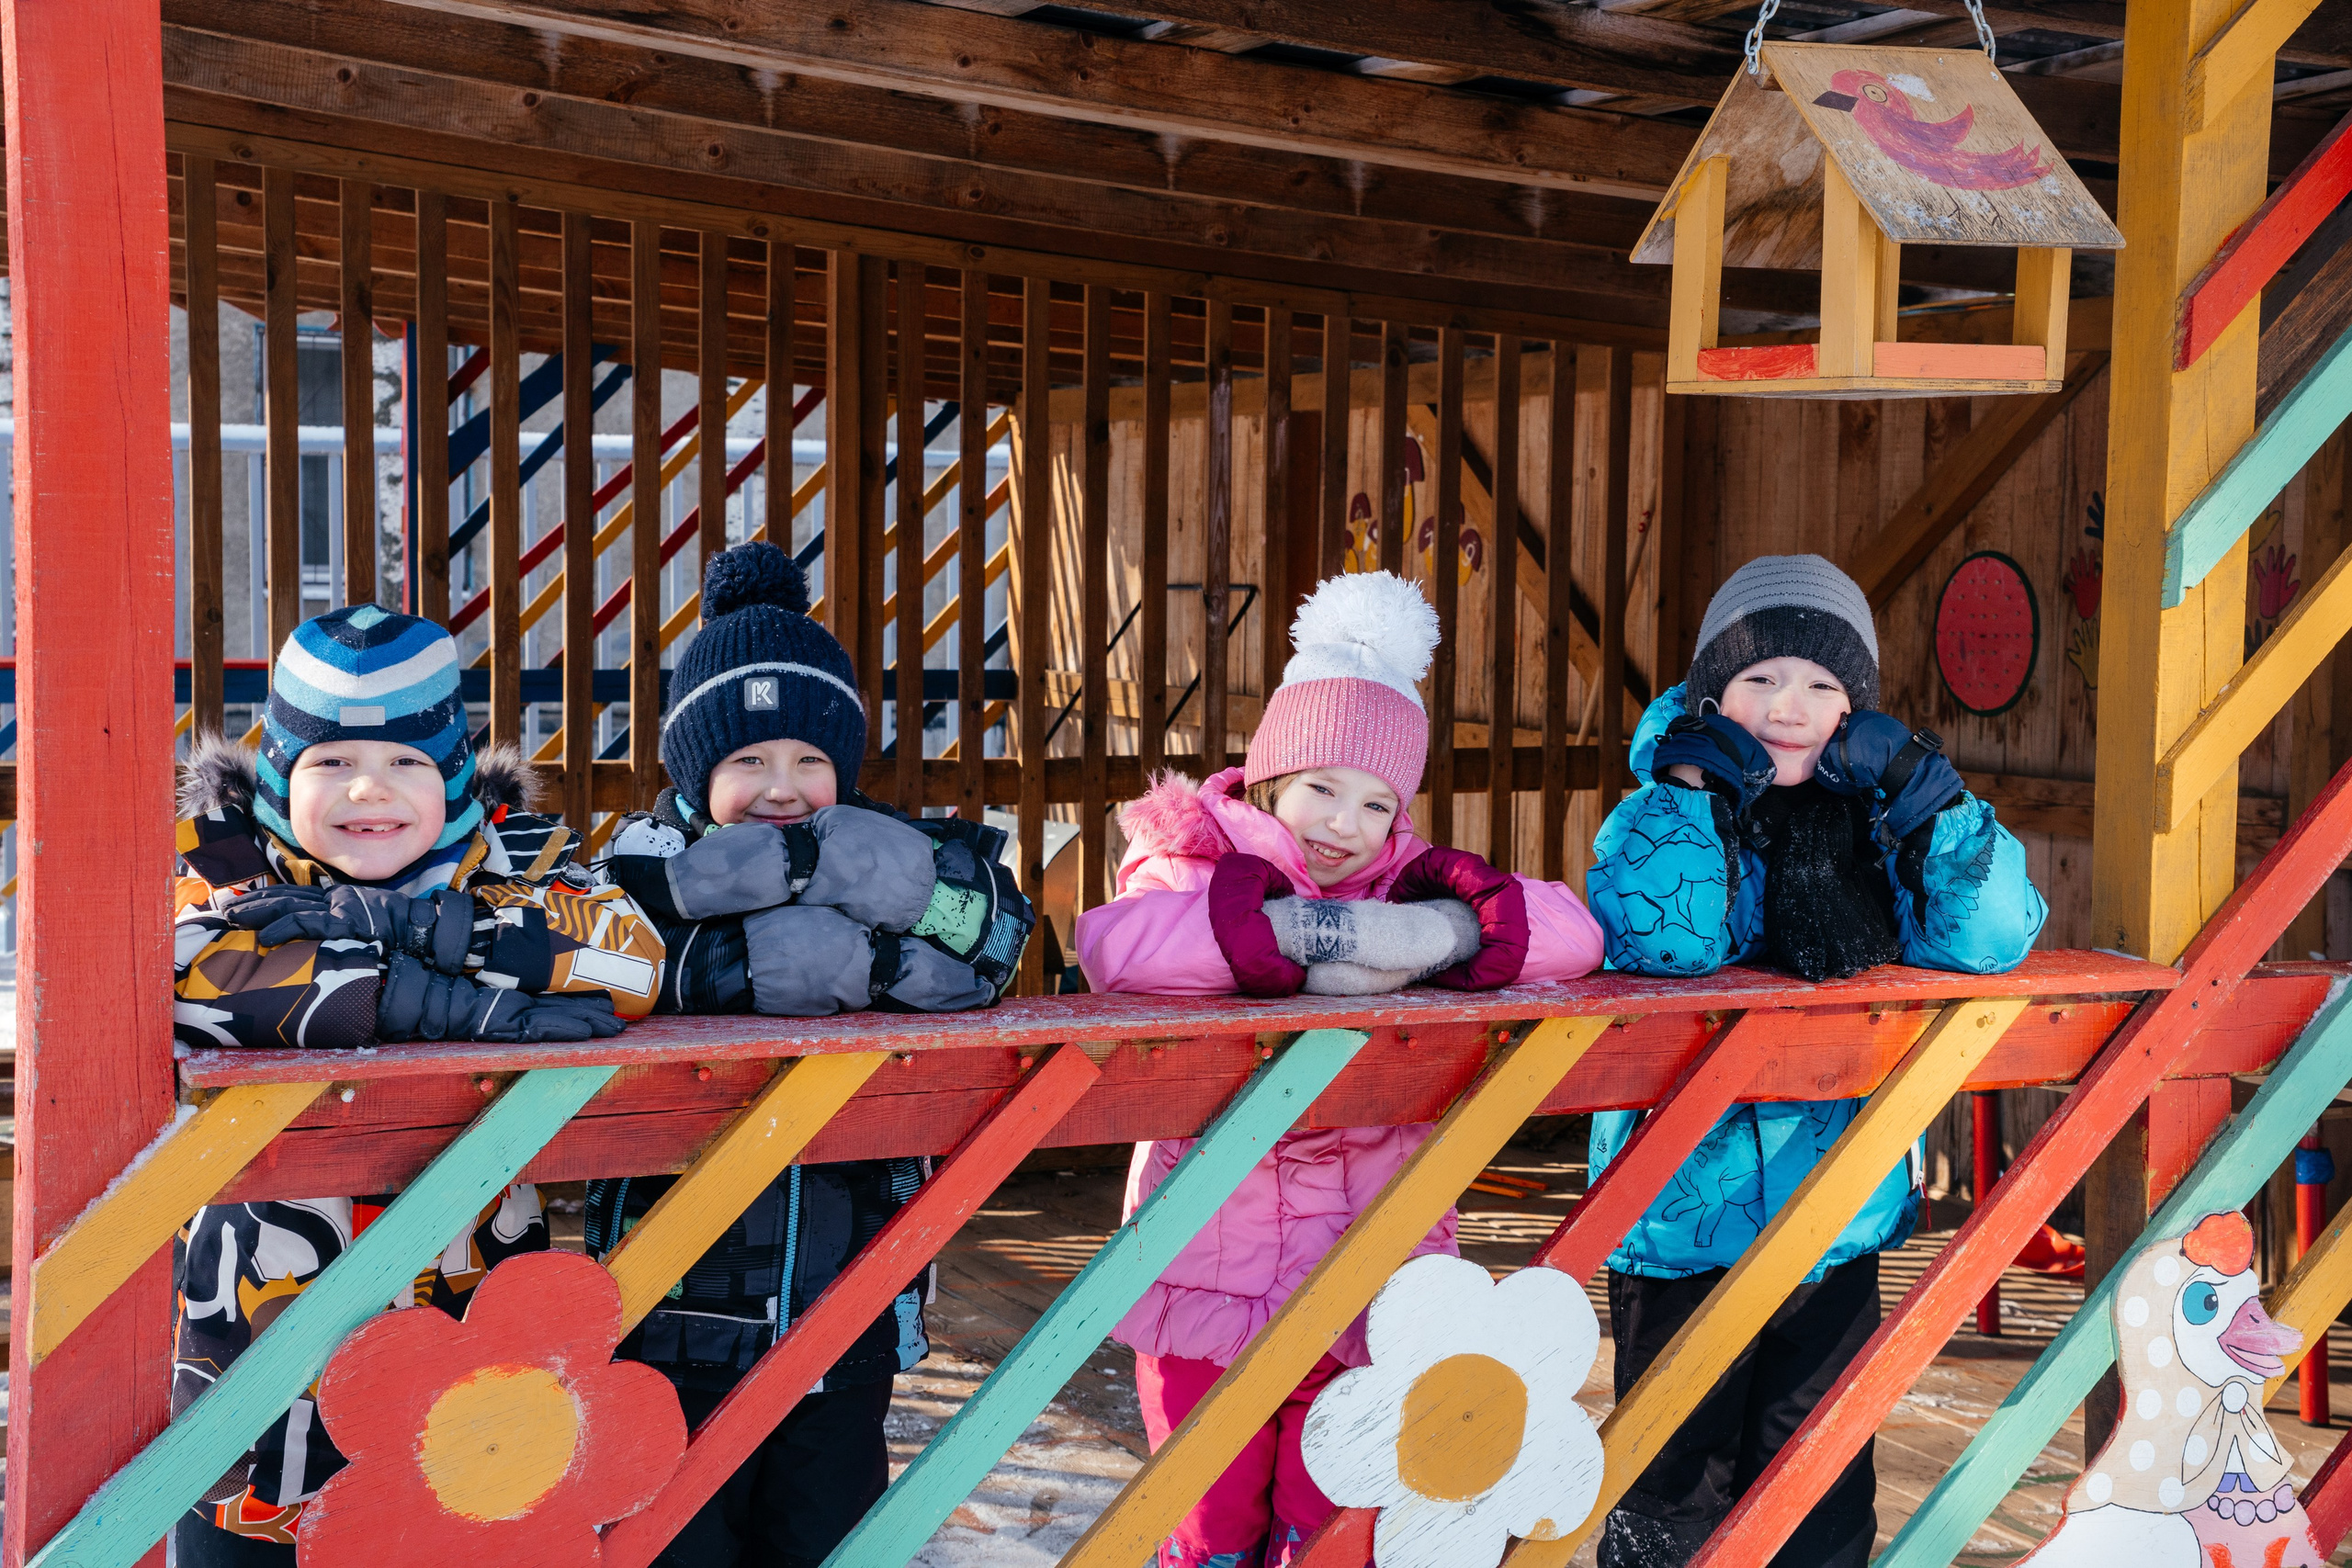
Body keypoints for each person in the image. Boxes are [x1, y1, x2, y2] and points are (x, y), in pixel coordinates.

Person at [1076, 570, 1605, 1568]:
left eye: (1375, 802)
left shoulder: (1414, 885)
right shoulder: (1189, 861)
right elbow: (1121, 948)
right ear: (1272, 776)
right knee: (1203, 1525)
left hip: (1370, 1284)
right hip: (1207, 1275)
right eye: (1321, 787)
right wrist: (1306, 930)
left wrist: (1434, 926)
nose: (1342, 824)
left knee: (1332, 1527)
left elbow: (1575, 937)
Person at [170, 604, 665, 1565]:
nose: (369, 788)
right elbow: (190, 971)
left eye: (406, 761)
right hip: (257, 1345)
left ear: (451, 769)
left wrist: (432, 930)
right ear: (279, 771)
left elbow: (630, 966)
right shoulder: (217, 856)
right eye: (330, 761)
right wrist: (438, 1001)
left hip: (471, 1323)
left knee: (464, 1526)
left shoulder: (522, 857)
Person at [1585, 554, 2048, 1568]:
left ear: (1855, 710)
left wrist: (1933, 800)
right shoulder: (1664, 802)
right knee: (1670, 1492)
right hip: (1678, 1220)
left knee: (1820, 1489)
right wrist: (1693, 785)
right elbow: (1671, 942)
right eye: (1759, 679)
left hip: (1835, 1216)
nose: (1787, 708)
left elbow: (1989, 936)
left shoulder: (1879, 829)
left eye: (1822, 685)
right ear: (1713, 691)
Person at [591, 540, 1034, 1568]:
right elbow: (618, 957)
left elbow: (998, 938)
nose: (782, 786)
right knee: (676, 1539)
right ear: (693, 770)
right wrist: (819, 942)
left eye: (808, 760)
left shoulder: (894, 850)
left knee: (826, 1535)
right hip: (673, 1301)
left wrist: (872, 921)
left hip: (848, 1299)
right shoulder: (634, 867)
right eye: (746, 761)